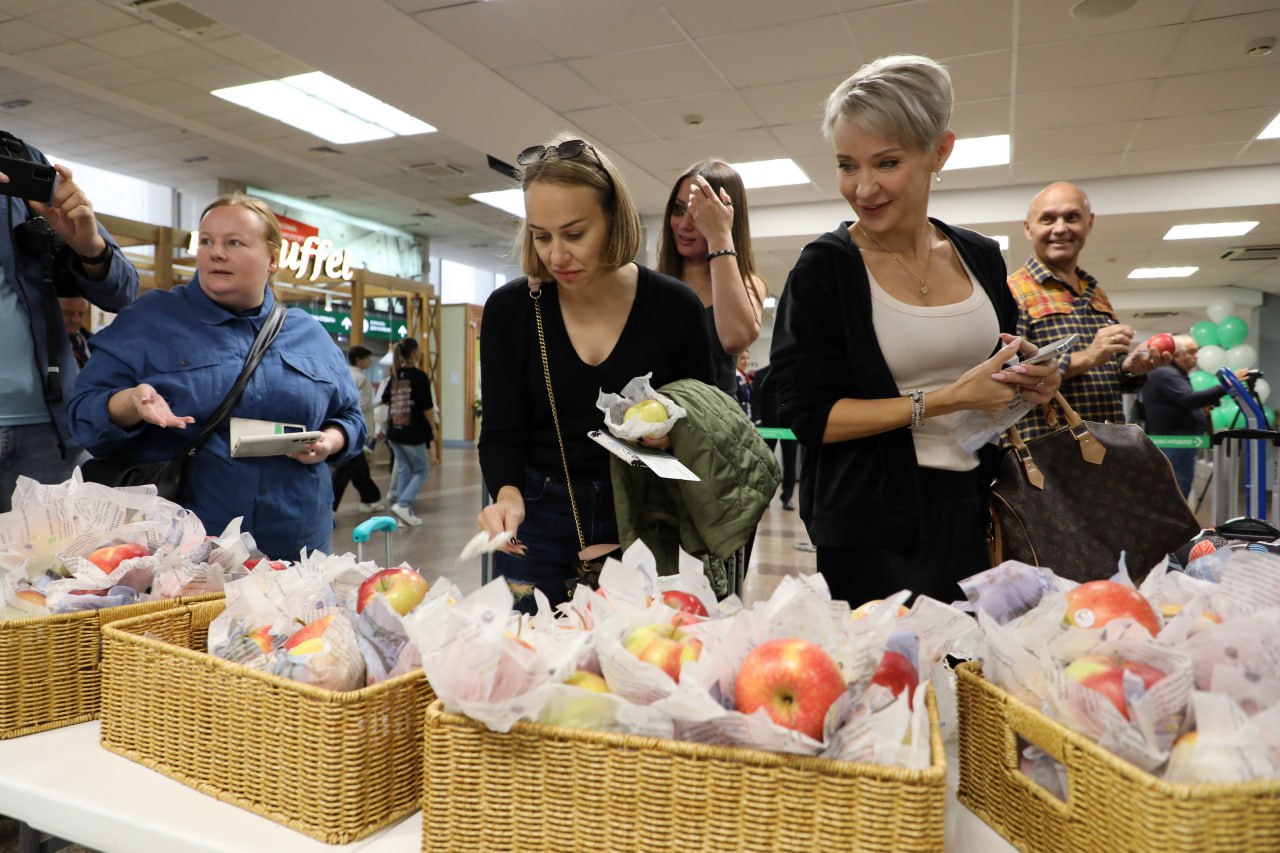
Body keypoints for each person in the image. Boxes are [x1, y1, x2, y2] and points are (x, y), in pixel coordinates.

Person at [769, 55, 1062, 606]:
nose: (863, 187)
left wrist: (1033, 383)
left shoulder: (981, 256)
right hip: (869, 524)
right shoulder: (825, 269)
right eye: (847, 165)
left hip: (978, 506)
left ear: (940, 152)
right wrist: (946, 399)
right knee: (890, 680)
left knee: (970, 676)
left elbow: (996, 371)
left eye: (886, 162)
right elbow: (808, 416)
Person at [476, 133, 715, 610]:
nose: (557, 256)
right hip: (538, 514)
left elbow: (705, 425)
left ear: (613, 219)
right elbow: (502, 431)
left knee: (646, 660)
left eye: (575, 233)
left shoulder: (674, 307)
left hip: (648, 510)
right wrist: (506, 494)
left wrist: (670, 435)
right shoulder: (511, 311)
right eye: (541, 236)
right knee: (531, 659)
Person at [67, 193, 364, 559]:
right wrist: (130, 402)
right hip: (183, 543)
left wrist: (329, 443)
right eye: (206, 241)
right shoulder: (150, 321)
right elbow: (82, 414)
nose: (215, 252)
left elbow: (351, 418)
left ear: (272, 259)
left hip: (296, 542)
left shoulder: (309, 335)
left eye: (234, 242)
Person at [0, 133, 138, 513]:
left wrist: (88, 246)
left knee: (54, 568)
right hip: (48, 425)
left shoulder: (21, 160)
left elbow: (124, 290)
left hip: (45, 429)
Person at [1008, 181, 1172, 440]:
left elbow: (1109, 370)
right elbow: (1010, 375)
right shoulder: (1013, 291)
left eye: (1071, 217)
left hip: (1109, 448)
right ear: (1029, 228)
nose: (1060, 228)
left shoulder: (1095, 292)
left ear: (1089, 222)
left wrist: (1131, 366)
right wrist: (1089, 356)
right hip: (1049, 453)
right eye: (1048, 219)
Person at [656, 160, 769, 395]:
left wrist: (719, 236)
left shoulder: (749, 284)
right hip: (653, 425)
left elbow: (734, 339)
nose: (685, 224)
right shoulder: (653, 285)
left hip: (714, 427)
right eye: (679, 210)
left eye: (698, 214)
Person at [1142, 335, 1248, 498]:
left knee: (1179, 485)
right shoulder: (1166, 373)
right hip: (1175, 441)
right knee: (1178, 487)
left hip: (1178, 440)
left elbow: (1183, 401)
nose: (1196, 355)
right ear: (1176, 355)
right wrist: (1228, 385)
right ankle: (1176, 523)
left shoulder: (1171, 373)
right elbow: (1188, 399)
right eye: (1192, 352)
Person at [379, 336, 433, 527]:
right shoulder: (419, 376)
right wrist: (432, 427)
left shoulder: (395, 374)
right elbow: (427, 407)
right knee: (422, 470)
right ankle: (403, 504)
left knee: (404, 469)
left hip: (395, 431)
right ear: (413, 353)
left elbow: (385, 398)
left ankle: (402, 514)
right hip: (413, 432)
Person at [332, 344, 385, 513]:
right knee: (346, 468)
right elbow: (362, 405)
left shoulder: (342, 374)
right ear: (359, 360)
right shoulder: (361, 379)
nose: (370, 361)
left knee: (360, 468)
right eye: (368, 358)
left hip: (345, 425)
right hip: (357, 427)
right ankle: (330, 506)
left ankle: (370, 499)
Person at [751, 363, 797, 511]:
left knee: (790, 462)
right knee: (765, 462)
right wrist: (758, 422)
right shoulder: (761, 374)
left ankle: (787, 497)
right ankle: (765, 495)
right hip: (768, 426)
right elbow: (756, 400)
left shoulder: (793, 373)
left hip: (789, 426)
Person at [60, 295, 93, 369]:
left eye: (81, 314)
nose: (75, 319)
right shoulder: (45, 342)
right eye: (69, 313)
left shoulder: (93, 342)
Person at [734, 351, 752, 416]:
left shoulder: (744, 376)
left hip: (747, 411)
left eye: (747, 358)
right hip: (738, 413)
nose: (746, 361)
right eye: (742, 358)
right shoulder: (733, 376)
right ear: (735, 360)